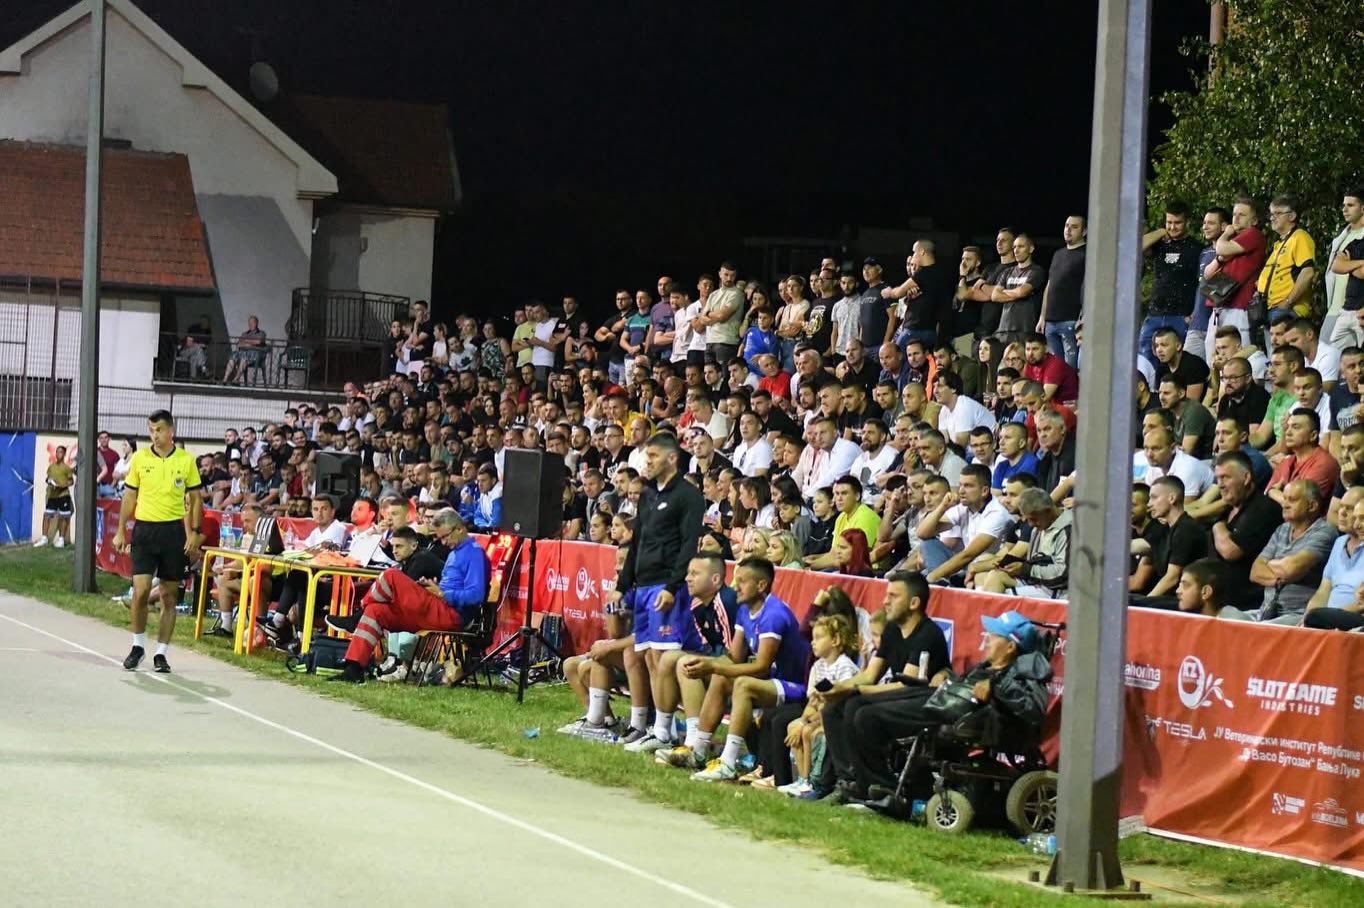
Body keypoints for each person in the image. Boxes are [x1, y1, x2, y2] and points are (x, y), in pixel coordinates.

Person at [659, 558, 809, 781]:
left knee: (743, 684)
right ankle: (697, 750)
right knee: (720, 677)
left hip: (796, 686)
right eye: (736, 580)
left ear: (761, 585)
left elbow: (761, 668)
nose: (735, 586)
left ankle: (728, 762)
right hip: (772, 681)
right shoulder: (744, 610)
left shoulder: (773, 614)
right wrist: (706, 665)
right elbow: (734, 657)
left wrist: (713, 666)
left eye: (742, 581)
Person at [820, 571, 950, 800]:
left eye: (893, 596)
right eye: (886, 595)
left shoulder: (928, 634)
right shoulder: (891, 629)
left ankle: (882, 787)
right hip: (900, 697)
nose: (885, 601)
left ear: (914, 603)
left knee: (859, 710)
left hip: (922, 702)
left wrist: (852, 690)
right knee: (832, 709)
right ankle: (849, 781)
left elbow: (906, 685)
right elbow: (870, 675)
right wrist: (837, 687)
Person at [327, 510, 489, 683]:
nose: (443, 542)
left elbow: (476, 595)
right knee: (375, 610)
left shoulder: (474, 554)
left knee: (391, 575)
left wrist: (442, 593)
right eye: (440, 537)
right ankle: (354, 669)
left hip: (452, 614)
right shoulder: (456, 551)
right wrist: (433, 587)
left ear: (459, 529)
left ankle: (356, 618)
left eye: (445, 537)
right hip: (438, 607)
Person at [111, 410, 204, 673]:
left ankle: (161, 654)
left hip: (173, 533)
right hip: (144, 531)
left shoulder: (186, 460)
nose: (155, 435)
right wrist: (121, 530)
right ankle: (137, 646)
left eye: (160, 429)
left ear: (171, 430)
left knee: (168, 595)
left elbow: (196, 499)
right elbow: (129, 496)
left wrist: (194, 533)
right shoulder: (140, 458)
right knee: (140, 592)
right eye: (151, 430)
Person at [774, 615, 860, 797]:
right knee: (793, 726)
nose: (813, 642)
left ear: (835, 641)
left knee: (807, 732)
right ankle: (802, 780)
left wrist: (809, 723)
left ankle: (814, 781)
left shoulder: (844, 666)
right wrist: (802, 721)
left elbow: (838, 704)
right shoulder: (818, 666)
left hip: (838, 717)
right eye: (813, 638)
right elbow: (812, 702)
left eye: (819, 637)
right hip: (820, 714)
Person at [1247, 479, 1337, 624]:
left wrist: (1269, 565)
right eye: (1284, 499)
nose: (1285, 504)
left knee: (1263, 630)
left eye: (1292, 500)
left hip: (1297, 614)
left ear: (1312, 506)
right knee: (1225, 615)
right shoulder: (1282, 529)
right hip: (1264, 611)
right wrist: (1280, 579)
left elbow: (1292, 568)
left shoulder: (1325, 531)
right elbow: (1255, 571)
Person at [975, 488, 1072, 599]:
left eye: (1033, 519)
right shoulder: (1039, 527)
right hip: (1038, 581)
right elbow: (1033, 562)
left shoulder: (1068, 529)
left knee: (996, 588)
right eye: (1027, 519)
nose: (1030, 524)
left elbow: (1063, 573)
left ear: (1048, 511)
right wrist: (1017, 567)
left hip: (1057, 590)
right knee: (990, 575)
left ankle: (990, 609)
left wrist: (1025, 569)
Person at [34, 447, 75, 548]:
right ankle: (44, 538)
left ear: (64, 454)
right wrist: (49, 481)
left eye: (60, 452)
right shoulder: (51, 467)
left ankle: (61, 540)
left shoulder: (66, 468)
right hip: (52, 496)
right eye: (57, 452)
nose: (58, 454)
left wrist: (62, 486)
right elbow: (47, 478)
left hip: (63, 495)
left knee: (64, 517)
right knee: (46, 515)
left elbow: (71, 481)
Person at [222, 315, 267, 384]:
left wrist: (246, 341)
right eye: (249, 323)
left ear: (256, 323)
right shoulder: (245, 333)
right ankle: (225, 379)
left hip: (255, 354)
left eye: (252, 323)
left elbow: (258, 341)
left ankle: (236, 379)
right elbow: (239, 344)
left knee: (244, 358)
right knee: (232, 357)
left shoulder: (261, 333)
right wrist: (250, 343)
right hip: (243, 352)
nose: (250, 324)